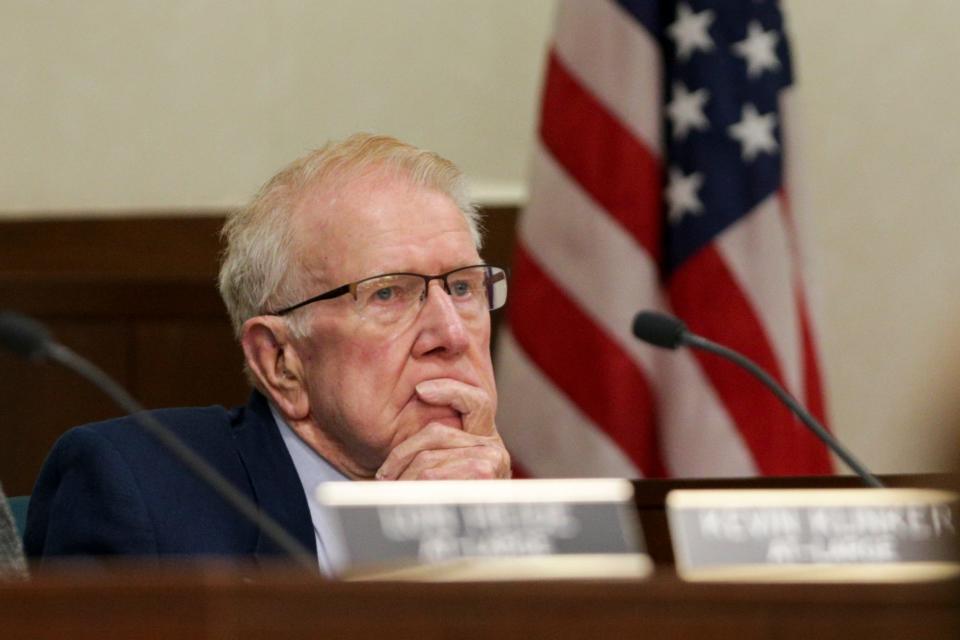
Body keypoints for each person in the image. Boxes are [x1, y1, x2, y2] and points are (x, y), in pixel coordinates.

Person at [24, 134, 511, 573]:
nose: (451, 333)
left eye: (464, 287)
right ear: (281, 362)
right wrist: (396, 555)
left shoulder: (517, 509)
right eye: (387, 294)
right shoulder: (139, 495)